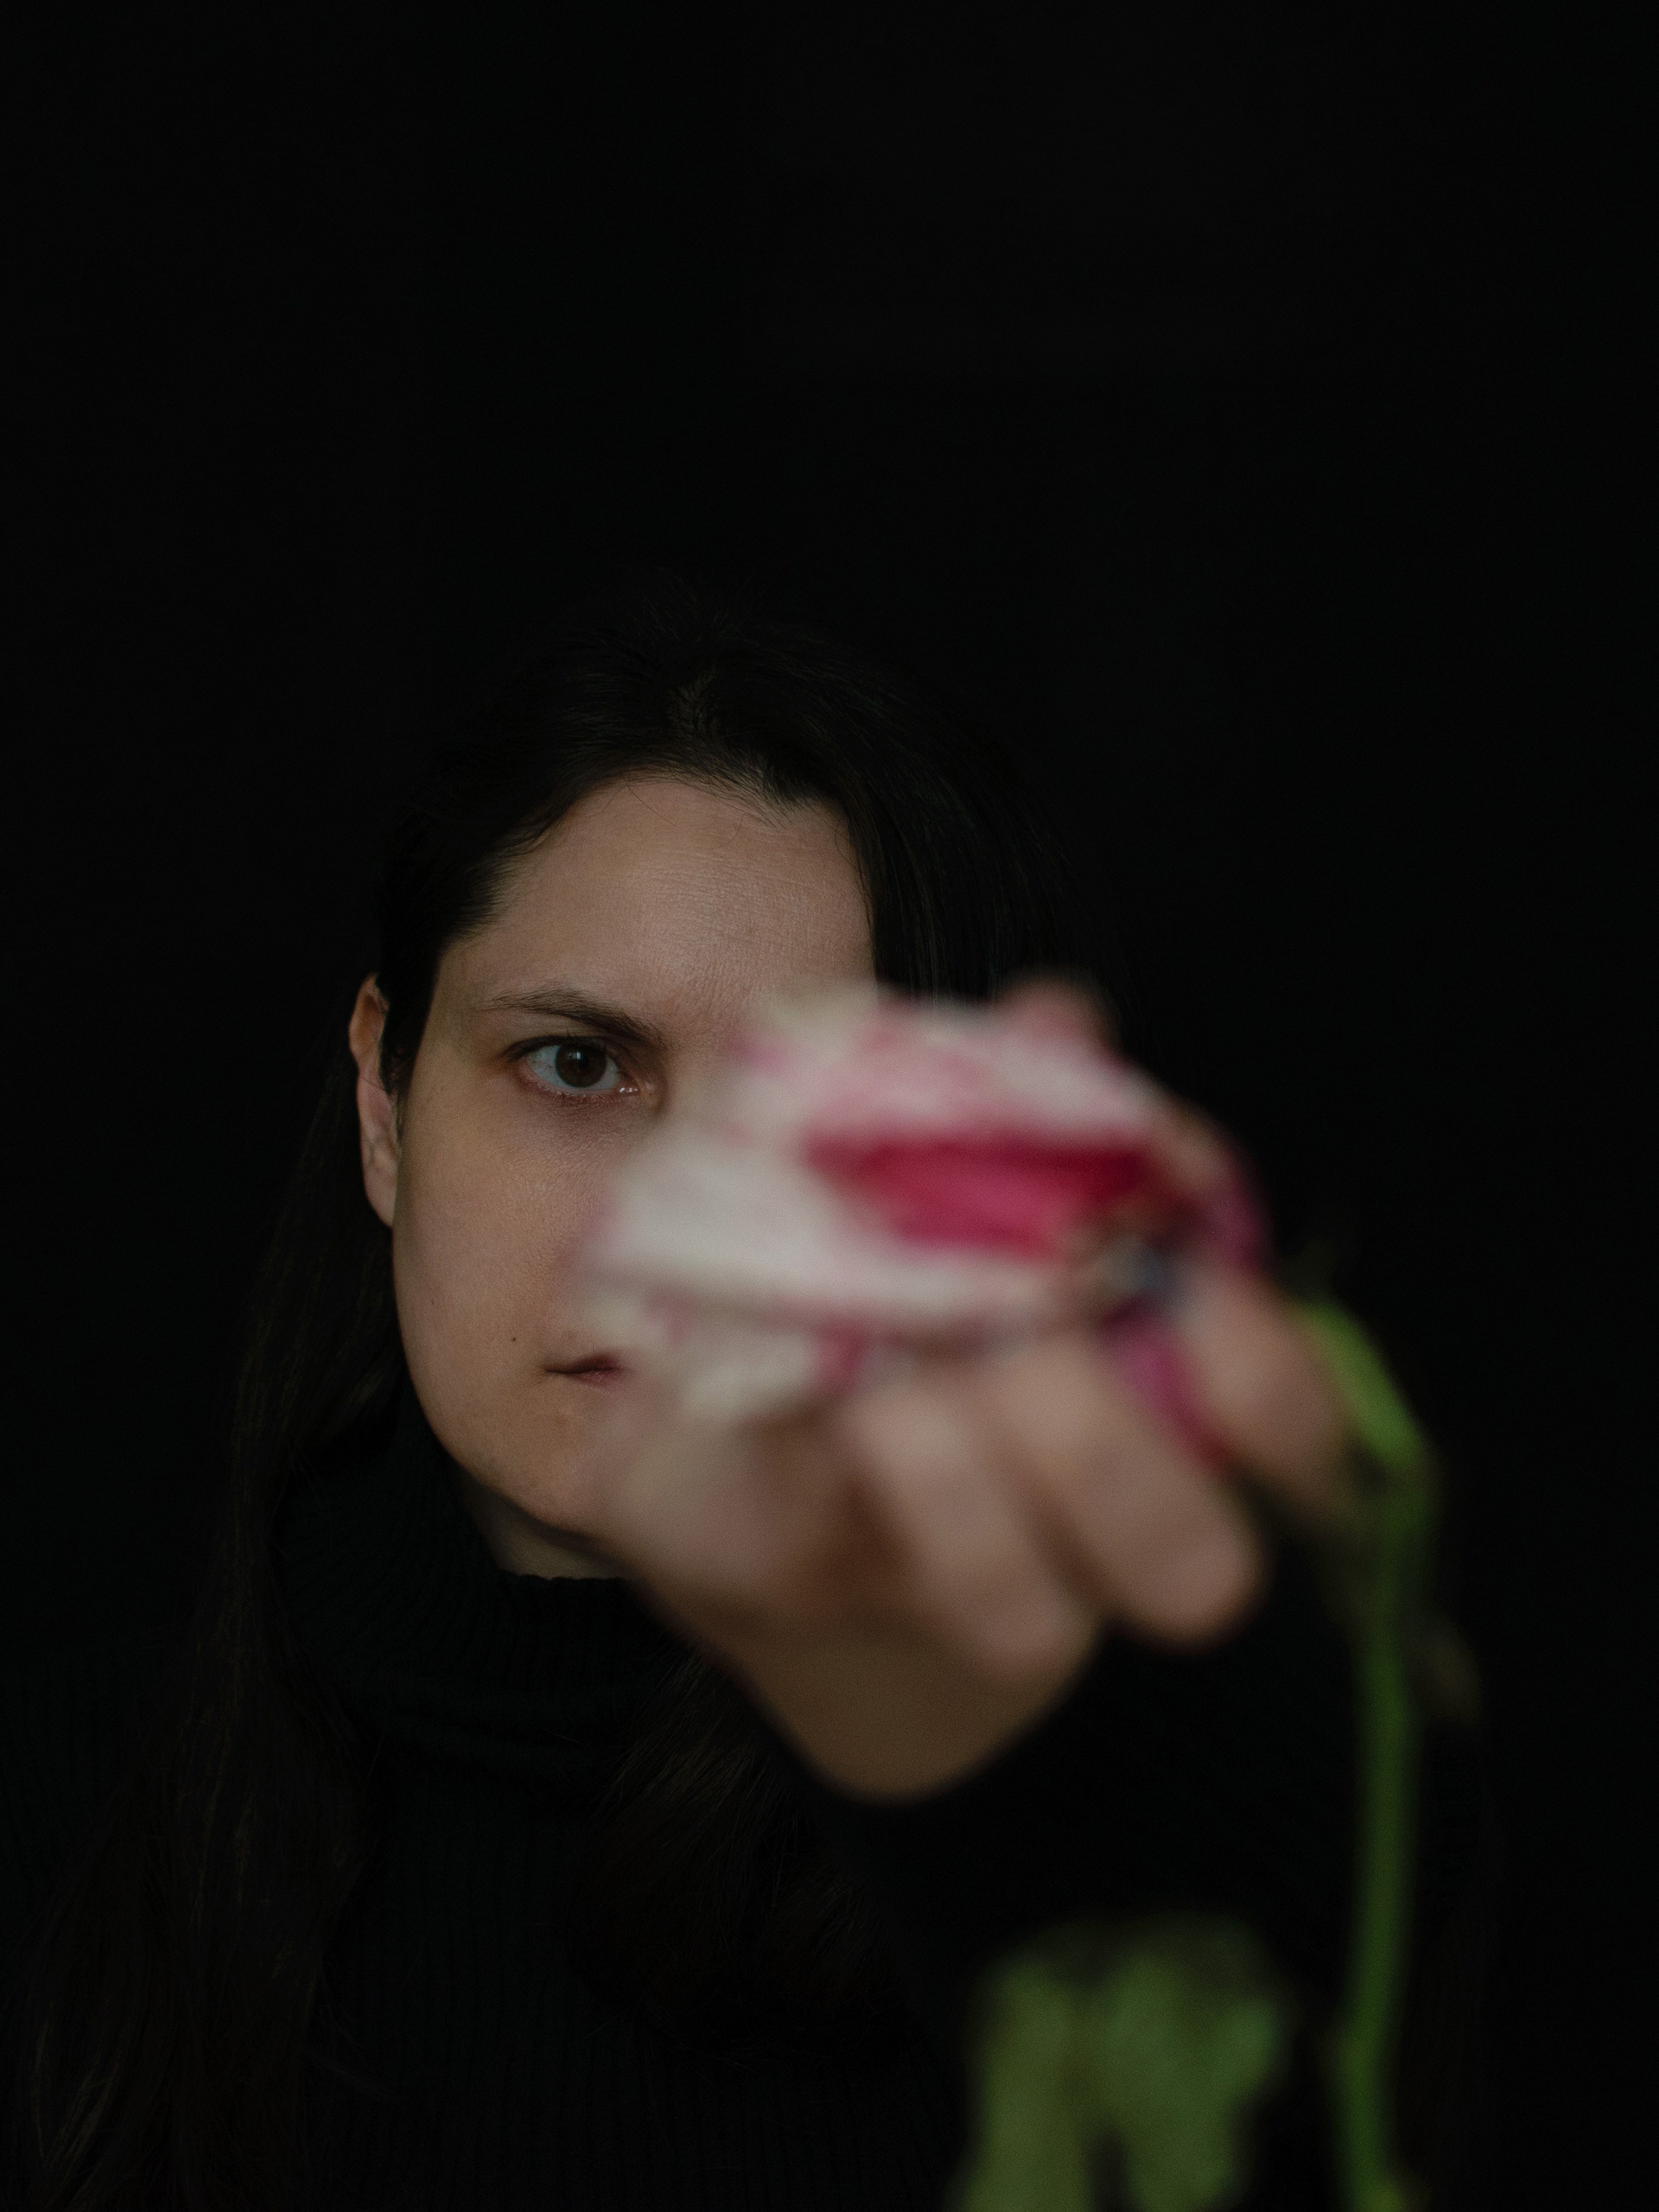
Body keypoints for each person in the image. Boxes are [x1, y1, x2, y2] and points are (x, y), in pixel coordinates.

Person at [0, 569, 1485, 2211]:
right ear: (384, 1102)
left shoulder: (1097, 1860)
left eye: (808, 1122)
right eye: (575, 1064)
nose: (669, 1236)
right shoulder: (53, 1809)